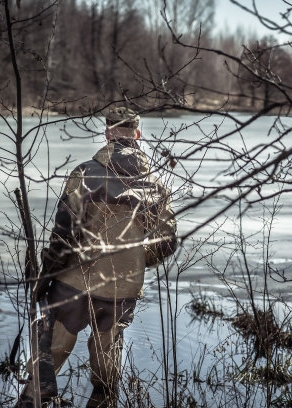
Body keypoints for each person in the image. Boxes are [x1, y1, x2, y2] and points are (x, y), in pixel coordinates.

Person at [18, 107, 177, 408]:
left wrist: (46, 275)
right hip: (122, 288)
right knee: (107, 372)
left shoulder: (85, 173)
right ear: (138, 135)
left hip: (74, 283)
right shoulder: (156, 185)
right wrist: (136, 259)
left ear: (106, 133)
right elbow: (167, 242)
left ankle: (32, 399)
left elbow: (63, 235)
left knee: (50, 355)